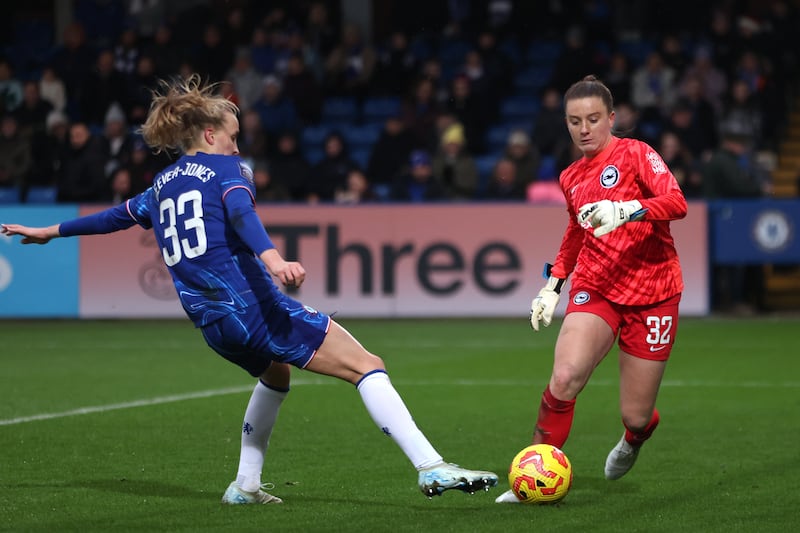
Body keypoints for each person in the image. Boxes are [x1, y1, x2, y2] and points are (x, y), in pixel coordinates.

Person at [1, 74, 498, 504]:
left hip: (210, 323)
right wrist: (274, 258)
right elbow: (242, 213)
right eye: (234, 137)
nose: (239, 147)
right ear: (211, 133)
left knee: (277, 376)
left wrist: (50, 231)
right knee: (367, 365)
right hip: (250, 306)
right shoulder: (227, 170)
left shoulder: (162, 184)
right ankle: (431, 465)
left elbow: (114, 217)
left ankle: (245, 484)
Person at [495, 75, 688, 503]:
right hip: (596, 286)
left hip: (654, 291)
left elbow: (677, 203)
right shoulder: (571, 177)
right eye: (574, 121)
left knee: (636, 415)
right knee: (564, 377)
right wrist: (553, 286)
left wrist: (628, 209)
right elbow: (576, 231)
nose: (584, 129)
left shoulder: (637, 154)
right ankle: (535, 471)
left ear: (612, 119)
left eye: (594, 119)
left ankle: (634, 438)